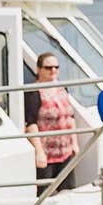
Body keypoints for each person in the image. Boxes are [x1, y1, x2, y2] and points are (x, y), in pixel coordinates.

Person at [24, 53, 80, 193]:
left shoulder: (62, 89)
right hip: (47, 152)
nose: (53, 71)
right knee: (44, 192)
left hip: (66, 150)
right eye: (48, 67)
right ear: (39, 70)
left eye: (56, 67)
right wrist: (39, 151)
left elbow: (70, 117)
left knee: (67, 190)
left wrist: (74, 143)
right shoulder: (33, 93)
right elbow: (31, 123)